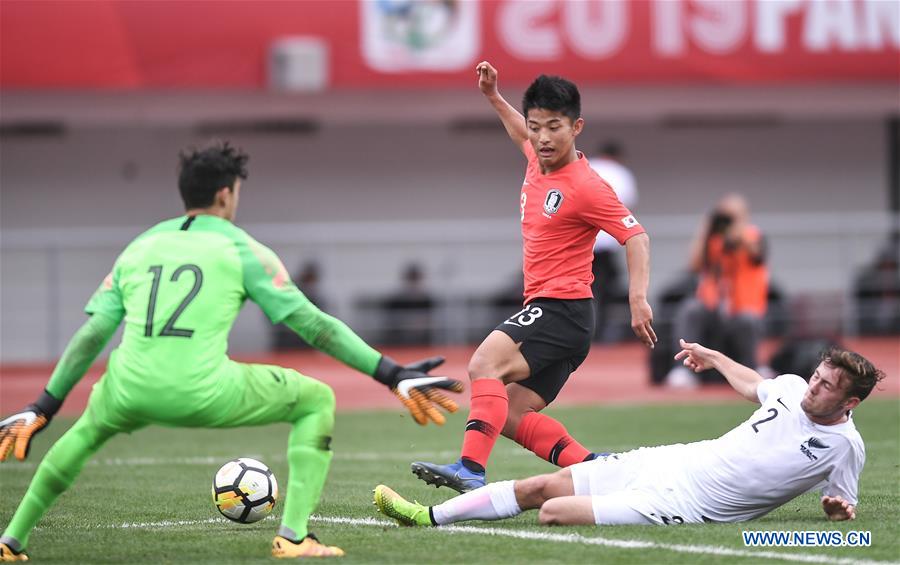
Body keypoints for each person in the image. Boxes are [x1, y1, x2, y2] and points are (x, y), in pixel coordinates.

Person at [0, 142, 463, 561]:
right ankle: (295, 538)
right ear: (225, 195)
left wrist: (43, 405)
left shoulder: (140, 247)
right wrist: (389, 372)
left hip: (128, 388)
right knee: (316, 398)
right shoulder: (242, 249)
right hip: (204, 391)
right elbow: (314, 326)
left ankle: (11, 540)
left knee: (82, 433)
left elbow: (91, 335)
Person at [409, 62, 655, 494]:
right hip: (560, 315)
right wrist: (492, 96)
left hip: (562, 309)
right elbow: (518, 132)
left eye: (554, 127)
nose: (543, 137)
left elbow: (635, 236)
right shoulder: (535, 156)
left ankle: (470, 469)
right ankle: (601, 473)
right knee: (511, 414)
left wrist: (638, 299)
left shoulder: (587, 186)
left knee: (484, 364)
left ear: (576, 127)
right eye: (537, 125)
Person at [375, 341, 883, 528]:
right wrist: (713, 359)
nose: (814, 388)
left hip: (690, 504)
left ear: (850, 402)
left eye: (827, 387)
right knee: (540, 487)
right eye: (817, 377)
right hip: (674, 460)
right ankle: (425, 516)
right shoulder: (793, 388)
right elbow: (754, 383)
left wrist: (836, 510)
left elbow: (842, 507)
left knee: (553, 512)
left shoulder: (845, 446)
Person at [666, 193, 768, 388]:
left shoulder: (753, 236)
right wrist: (706, 228)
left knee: (748, 320)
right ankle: (682, 371)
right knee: (690, 310)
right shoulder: (714, 240)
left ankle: (753, 371)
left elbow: (757, 254)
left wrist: (740, 232)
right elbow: (694, 265)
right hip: (713, 307)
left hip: (743, 308)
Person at [588, 141, 638, 342]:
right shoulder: (620, 173)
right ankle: (600, 331)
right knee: (605, 290)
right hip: (606, 242)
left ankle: (589, 330)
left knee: (585, 289)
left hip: (582, 243)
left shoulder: (586, 166)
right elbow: (627, 205)